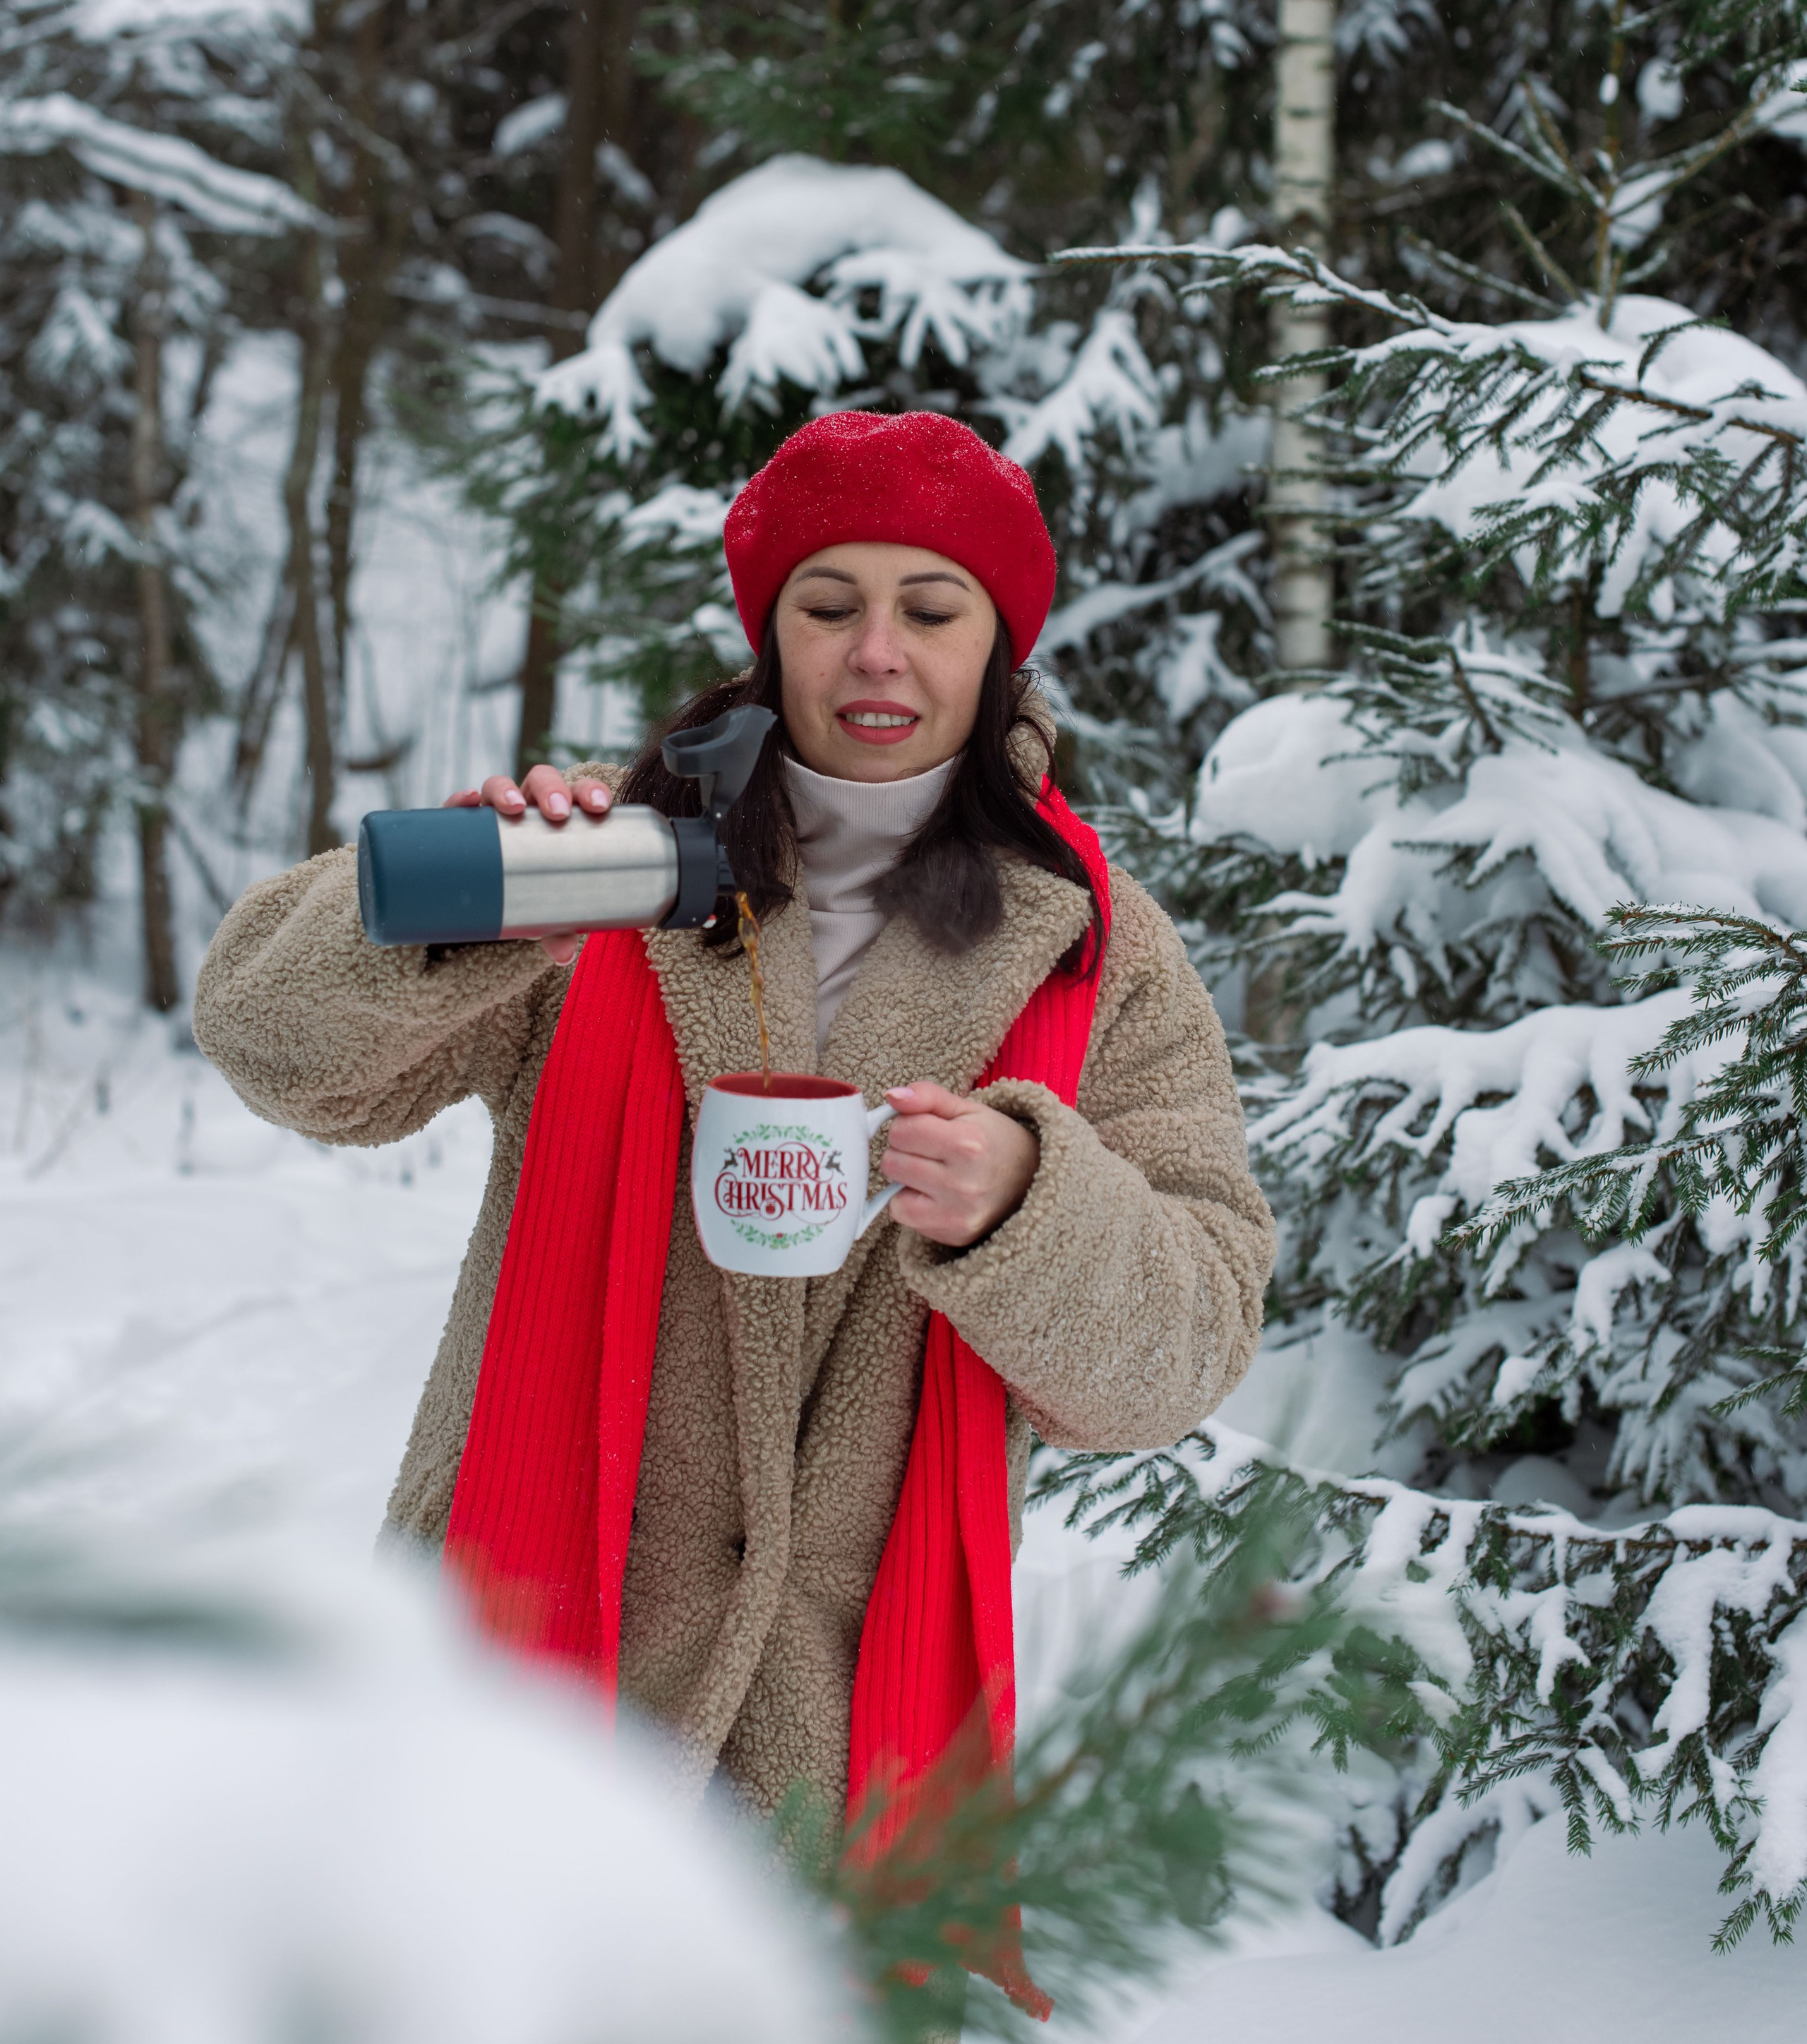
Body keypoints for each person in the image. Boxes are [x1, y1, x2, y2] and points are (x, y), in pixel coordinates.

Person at [193, 410, 1273, 1906]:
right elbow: (270, 1044)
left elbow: (1188, 1342)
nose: (877, 653)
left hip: (841, 1733)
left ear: (998, 647)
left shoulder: (1095, 947)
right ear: (773, 638)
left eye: (931, 610)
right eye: (829, 607)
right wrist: (468, 915)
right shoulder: (605, 858)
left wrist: (1029, 1203)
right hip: (509, 1661)